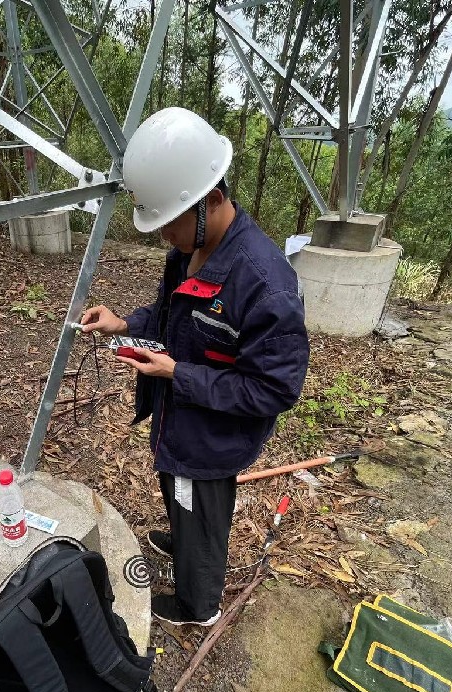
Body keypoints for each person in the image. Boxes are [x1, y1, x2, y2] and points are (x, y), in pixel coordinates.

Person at [81, 108, 310, 627]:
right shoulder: (190, 251)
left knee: (199, 502)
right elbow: (170, 318)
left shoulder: (263, 283)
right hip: (178, 416)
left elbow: (274, 389)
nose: (165, 237)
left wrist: (176, 374)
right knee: (180, 496)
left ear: (211, 200)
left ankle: (197, 603)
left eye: (170, 223)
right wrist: (124, 323)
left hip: (212, 435)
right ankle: (185, 536)